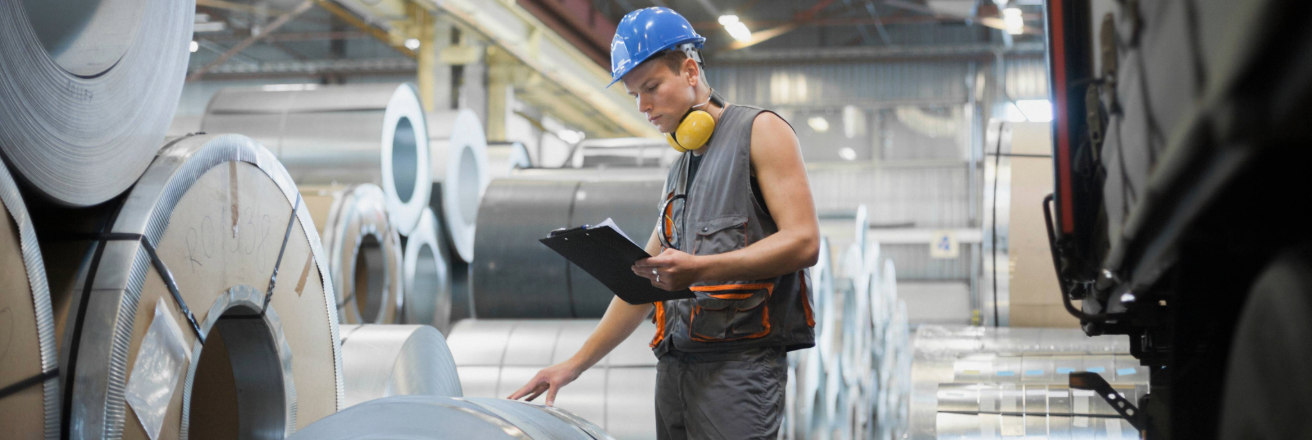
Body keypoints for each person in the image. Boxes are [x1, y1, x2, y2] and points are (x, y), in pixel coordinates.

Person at [509, 6, 819, 439]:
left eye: (651, 87)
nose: (643, 106)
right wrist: (573, 365)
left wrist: (700, 269)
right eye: (635, 94)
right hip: (674, 373)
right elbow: (642, 285)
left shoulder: (760, 131)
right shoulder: (681, 168)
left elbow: (805, 242)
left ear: (690, 70)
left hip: (739, 371)